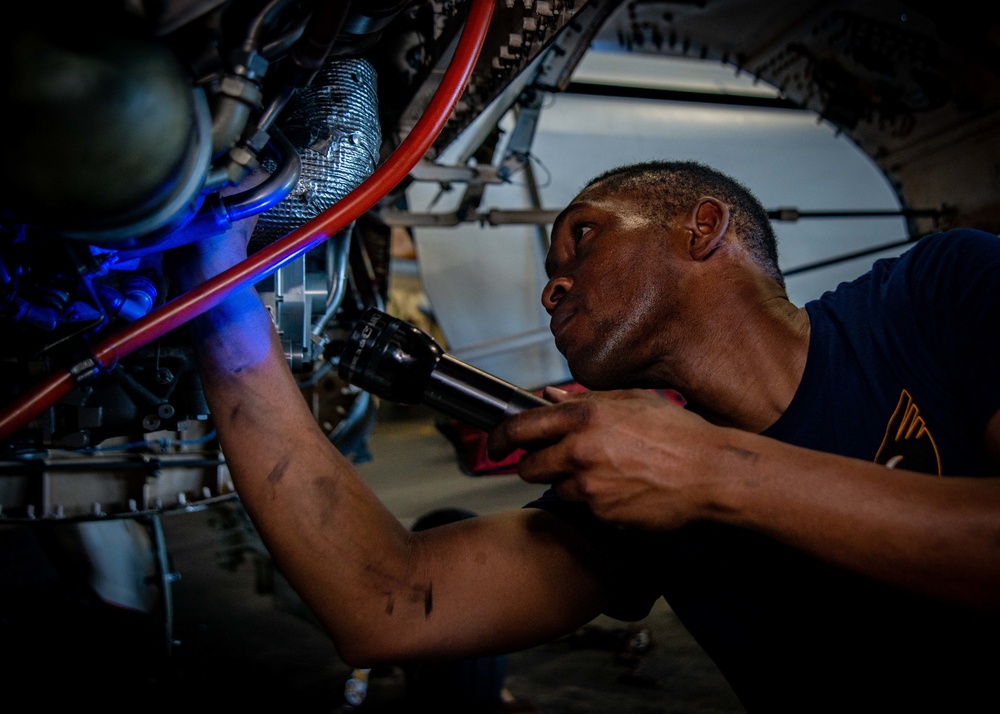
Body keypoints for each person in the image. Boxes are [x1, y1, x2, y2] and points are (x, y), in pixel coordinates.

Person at [172, 160, 1000, 712]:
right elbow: (390, 603)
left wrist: (713, 471)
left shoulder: (936, 295)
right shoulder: (644, 485)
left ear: (700, 228)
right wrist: (219, 308)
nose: (550, 287)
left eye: (583, 235)